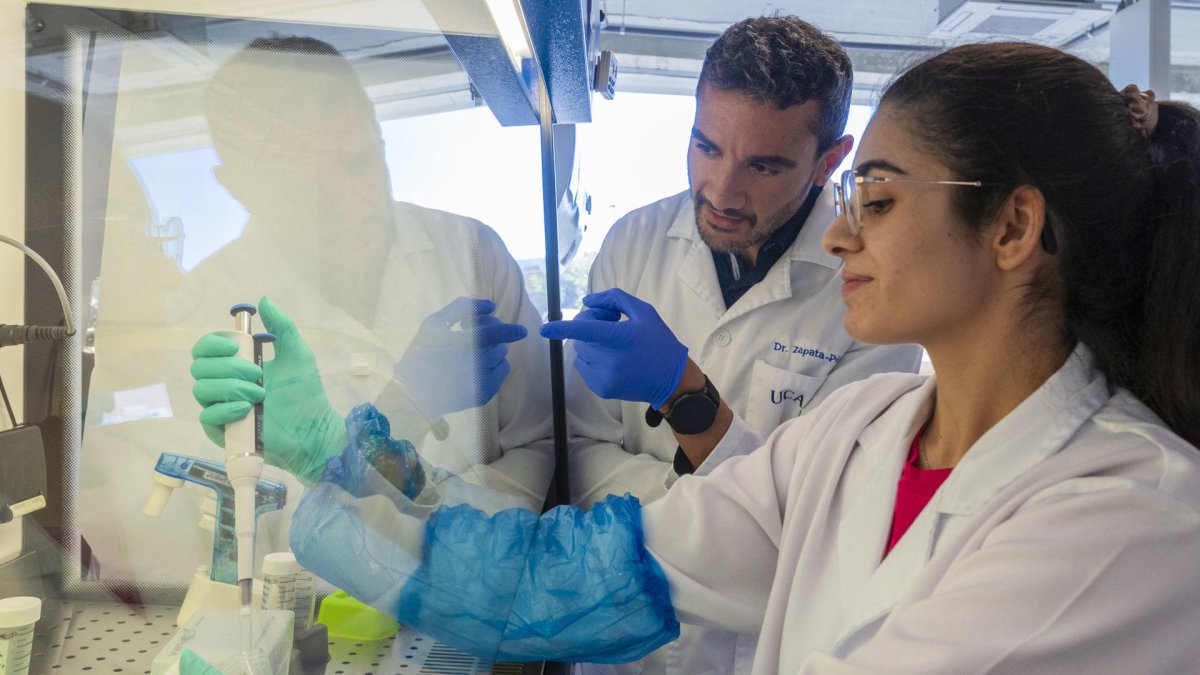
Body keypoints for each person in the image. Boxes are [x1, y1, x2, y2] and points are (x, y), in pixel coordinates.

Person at [188, 41, 1200, 673]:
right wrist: (344, 459)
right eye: (706, 148)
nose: (840, 235)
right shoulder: (860, 434)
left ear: (1014, 227)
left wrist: (684, 393)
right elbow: (559, 573)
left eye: (880, 200)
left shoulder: (1130, 516)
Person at [552, 19, 921, 671]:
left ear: (830, 161)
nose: (721, 192)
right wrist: (710, 509)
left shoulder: (875, 292)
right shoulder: (633, 243)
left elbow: (817, 524)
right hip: (616, 638)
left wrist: (684, 401)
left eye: (764, 165)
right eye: (707, 147)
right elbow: (581, 447)